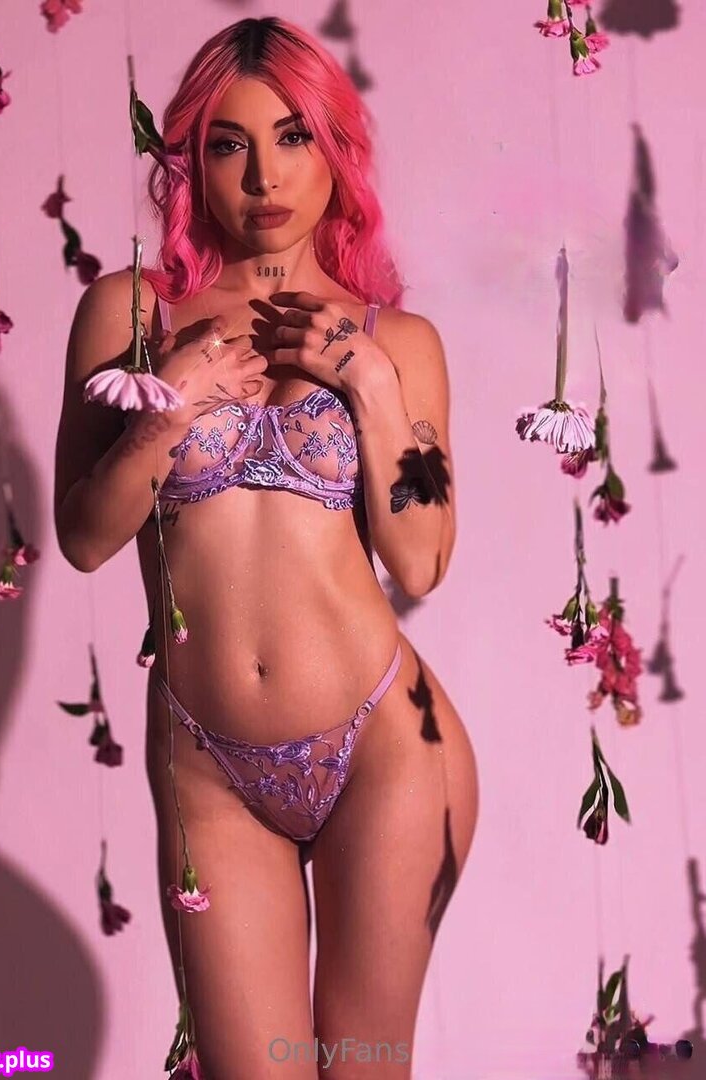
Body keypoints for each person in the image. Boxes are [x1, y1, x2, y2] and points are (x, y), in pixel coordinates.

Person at [54, 15, 479, 1079]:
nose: (263, 177)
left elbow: (421, 560)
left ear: (335, 149)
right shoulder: (129, 318)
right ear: (191, 160)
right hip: (208, 767)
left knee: (364, 1067)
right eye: (228, 144)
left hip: (386, 753)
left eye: (293, 138)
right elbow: (81, 537)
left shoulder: (395, 341)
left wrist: (370, 388)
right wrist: (164, 410)